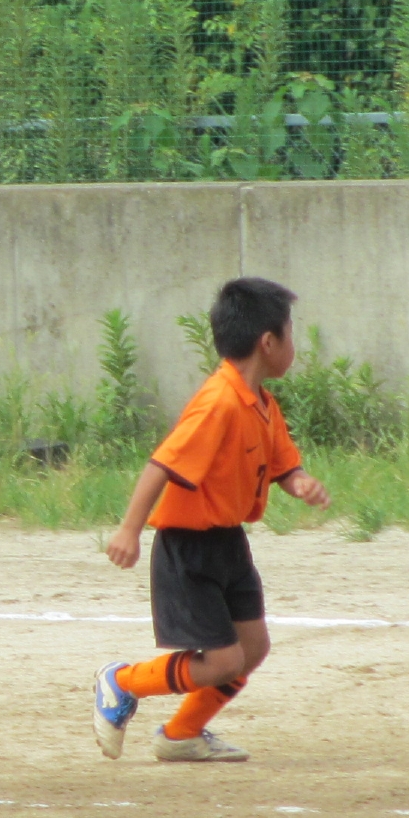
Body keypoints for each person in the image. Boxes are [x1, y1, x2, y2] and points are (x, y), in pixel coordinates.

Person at [94, 276, 330, 763]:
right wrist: (129, 530)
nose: (294, 344)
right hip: (189, 548)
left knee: (252, 648)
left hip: (229, 544)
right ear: (268, 342)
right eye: (290, 333)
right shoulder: (218, 402)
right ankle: (123, 681)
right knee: (223, 661)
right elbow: (161, 464)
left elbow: (284, 466)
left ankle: (181, 734)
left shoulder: (262, 404)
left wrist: (300, 482)